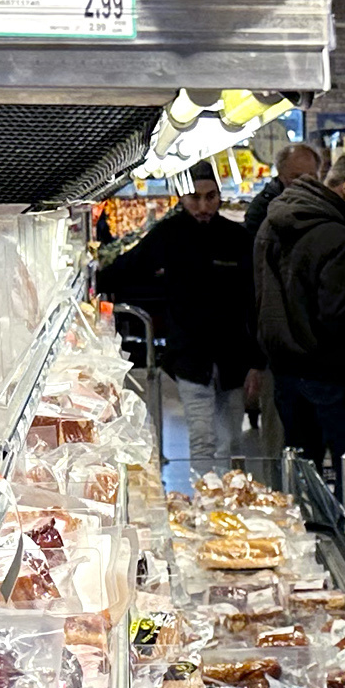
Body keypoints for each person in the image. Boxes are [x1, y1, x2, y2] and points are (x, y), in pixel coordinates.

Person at [97, 167, 255, 485]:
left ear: (219, 197)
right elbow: (129, 267)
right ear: (182, 197)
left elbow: (254, 300)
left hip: (234, 358)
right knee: (202, 439)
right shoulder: (170, 234)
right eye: (194, 198)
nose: (202, 206)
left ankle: (230, 502)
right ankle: (209, 508)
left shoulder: (238, 238)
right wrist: (92, 279)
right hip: (190, 356)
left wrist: (258, 363)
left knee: (231, 441)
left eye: (210, 197)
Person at [254, 148, 345, 482]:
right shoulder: (339, 237)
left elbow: (259, 292)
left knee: (302, 464)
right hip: (325, 366)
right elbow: (337, 311)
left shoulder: (273, 222)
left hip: (283, 364)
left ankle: (302, 528)